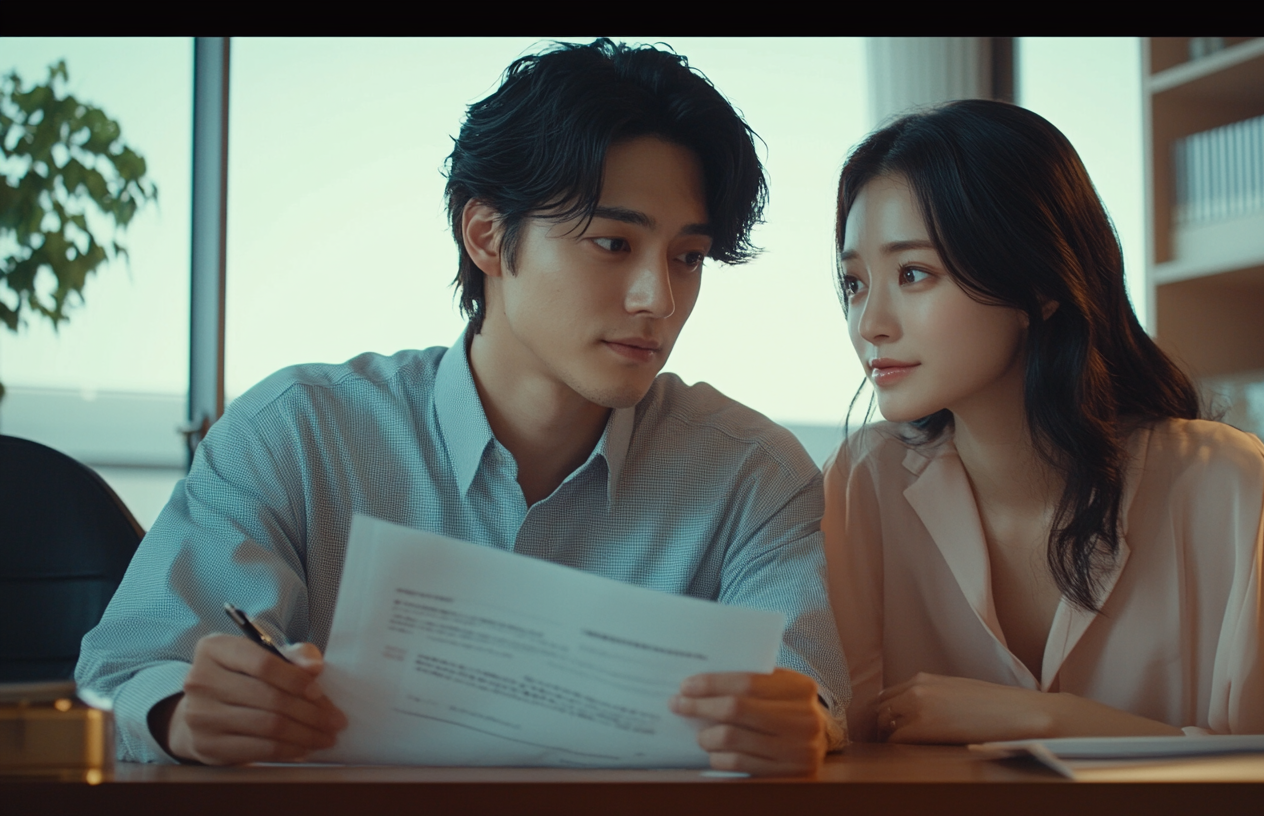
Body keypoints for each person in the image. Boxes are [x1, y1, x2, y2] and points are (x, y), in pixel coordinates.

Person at [76, 39, 848, 775]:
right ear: (485, 234)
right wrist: (180, 712)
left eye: (687, 258)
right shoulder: (297, 432)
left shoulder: (753, 474)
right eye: (614, 244)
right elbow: (129, 668)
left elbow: (808, 689)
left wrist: (798, 719)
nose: (660, 299)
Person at [822, 99, 1264, 744]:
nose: (869, 323)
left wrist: (1047, 720)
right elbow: (838, 743)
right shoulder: (863, 483)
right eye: (855, 283)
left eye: (913, 274)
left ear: (1042, 284)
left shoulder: (1231, 488)